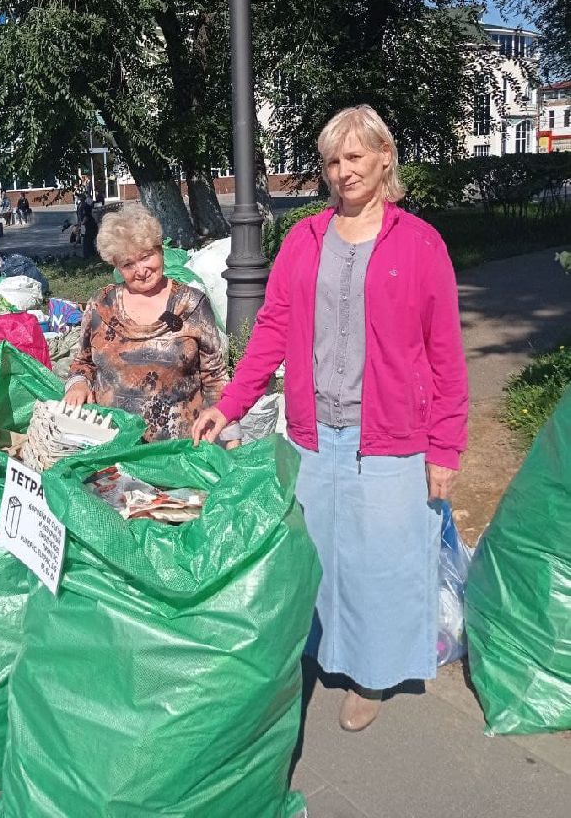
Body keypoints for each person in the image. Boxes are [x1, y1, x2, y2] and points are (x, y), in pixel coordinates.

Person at [193, 105, 468, 732]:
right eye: (333, 160)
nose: (344, 171)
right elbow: (272, 329)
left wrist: (446, 448)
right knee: (323, 553)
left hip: (392, 434)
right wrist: (230, 404)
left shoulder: (420, 244)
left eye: (355, 157)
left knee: (381, 559)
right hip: (317, 429)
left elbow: (447, 353)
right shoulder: (305, 239)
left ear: (383, 159)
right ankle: (330, 653)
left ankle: (370, 675)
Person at [65, 204, 227, 441]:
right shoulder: (101, 305)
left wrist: (232, 444)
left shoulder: (191, 304)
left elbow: (215, 378)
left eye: (146, 256)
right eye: (128, 264)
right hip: (113, 446)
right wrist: (77, 384)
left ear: (160, 250)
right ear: (116, 265)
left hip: (177, 451)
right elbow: (83, 362)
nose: (140, 270)